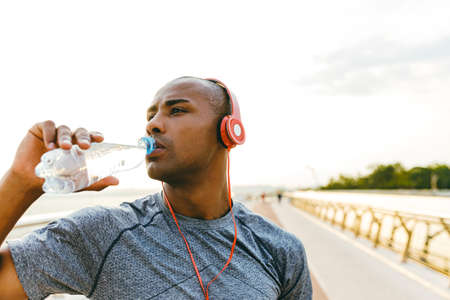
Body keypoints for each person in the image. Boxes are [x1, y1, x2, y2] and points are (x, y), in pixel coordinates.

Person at [0, 76, 312, 299]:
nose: (153, 124)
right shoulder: (102, 233)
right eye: (151, 116)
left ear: (229, 131)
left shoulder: (280, 249)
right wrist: (20, 183)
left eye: (176, 110)